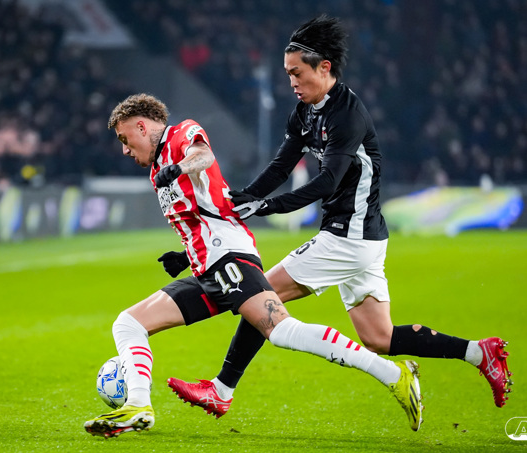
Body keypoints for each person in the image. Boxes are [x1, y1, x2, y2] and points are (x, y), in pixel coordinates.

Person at [165, 14, 513, 421]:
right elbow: (281, 166)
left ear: (324, 67)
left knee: (260, 296)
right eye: (287, 74)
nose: (291, 82)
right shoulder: (305, 112)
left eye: (297, 73)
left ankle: (221, 390)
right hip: (363, 238)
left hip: (349, 236)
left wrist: (268, 207)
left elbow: (328, 181)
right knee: (379, 336)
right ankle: (479, 353)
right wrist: (247, 198)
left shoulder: (347, 115)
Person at [83, 93, 424, 438]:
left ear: (142, 126)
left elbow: (203, 155)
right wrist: (185, 256)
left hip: (228, 258)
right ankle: (138, 406)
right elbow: (207, 211)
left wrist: (181, 167)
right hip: (207, 265)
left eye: (125, 138)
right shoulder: (157, 168)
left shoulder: (180, 135)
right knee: (129, 323)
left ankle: (393, 375)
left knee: (282, 331)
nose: (124, 149)